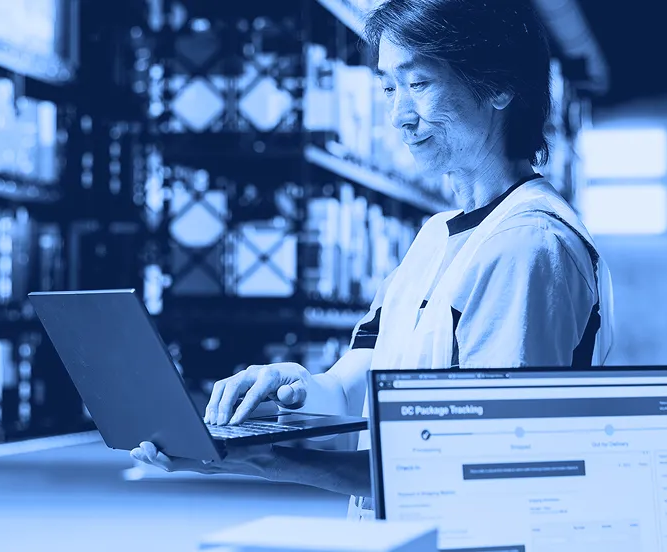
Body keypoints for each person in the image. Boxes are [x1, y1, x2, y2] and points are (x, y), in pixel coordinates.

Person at [131, 0, 615, 521]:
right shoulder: (433, 240)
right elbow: (350, 389)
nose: (400, 116)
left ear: (499, 86)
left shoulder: (528, 245)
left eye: (420, 85)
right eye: (389, 88)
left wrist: (272, 463)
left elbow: (485, 467)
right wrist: (290, 388)